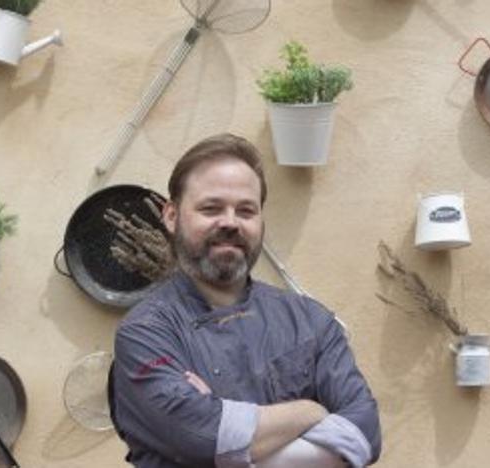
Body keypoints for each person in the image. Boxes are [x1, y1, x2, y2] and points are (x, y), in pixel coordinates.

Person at [110, 133, 381, 468]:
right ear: (171, 215)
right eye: (211, 208)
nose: (230, 222)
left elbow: (364, 433)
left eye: (246, 210)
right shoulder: (146, 333)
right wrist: (310, 411)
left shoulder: (310, 320)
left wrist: (233, 441)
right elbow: (201, 436)